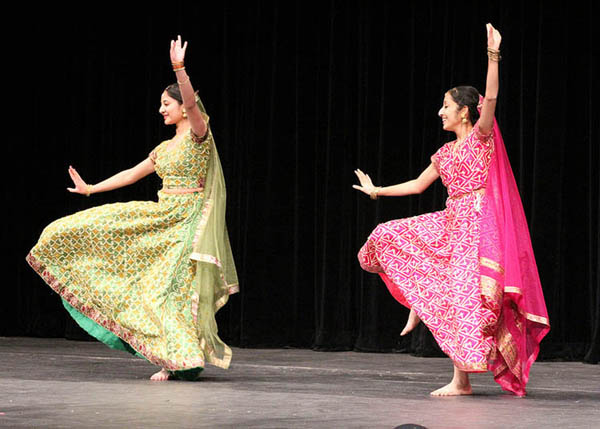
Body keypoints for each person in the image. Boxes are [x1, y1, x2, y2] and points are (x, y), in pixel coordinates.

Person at [26, 36, 238, 381]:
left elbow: (192, 103)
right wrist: (91, 188)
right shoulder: (164, 148)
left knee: (169, 289)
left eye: (166, 104)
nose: (161, 110)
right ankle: (172, 356)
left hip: (188, 222)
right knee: (91, 231)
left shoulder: (199, 134)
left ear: (184, 106)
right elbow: (131, 173)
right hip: (162, 216)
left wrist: (179, 70)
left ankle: (177, 359)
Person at [353, 24, 549, 396]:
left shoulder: (481, 137)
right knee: (386, 234)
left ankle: (461, 380)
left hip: (478, 230)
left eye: (446, 106)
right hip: (451, 224)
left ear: (463, 112)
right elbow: (416, 185)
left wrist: (494, 55)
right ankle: (418, 304)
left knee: (467, 300)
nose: (440, 111)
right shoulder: (444, 154)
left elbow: (489, 98)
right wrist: (376, 190)